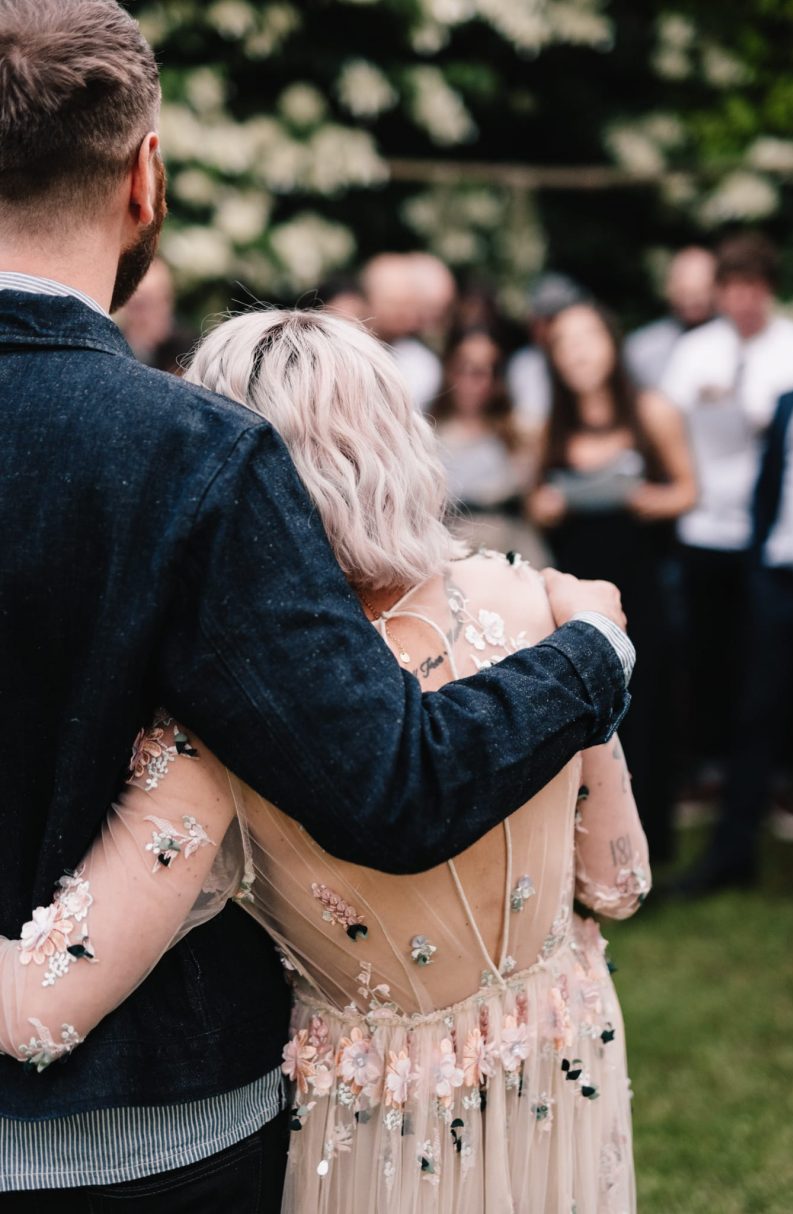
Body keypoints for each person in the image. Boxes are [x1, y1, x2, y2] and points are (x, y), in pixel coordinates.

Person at [0, 2, 633, 1206]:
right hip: (145, 1136)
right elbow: (388, 785)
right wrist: (592, 650)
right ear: (146, 178)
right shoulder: (198, 457)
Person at [528, 302, 697, 862]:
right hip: (575, 589)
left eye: (589, 336)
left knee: (644, 709)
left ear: (612, 343)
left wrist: (649, 499)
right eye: (564, 341)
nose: (577, 350)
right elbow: (533, 500)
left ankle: (650, 847)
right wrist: (546, 506)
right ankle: (588, 849)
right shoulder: (548, 425)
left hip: (639, 585)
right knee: (586, 709)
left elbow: (687, 491)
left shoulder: (652, 412)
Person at [660, 233, 793, 796]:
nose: (745, 300)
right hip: (705, 526)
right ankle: (711, 764)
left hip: (778, 536)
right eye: (734, 288)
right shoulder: (695, 351)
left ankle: (779, 774)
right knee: (708, 651)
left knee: (772, 660)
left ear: (769, 291)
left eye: (756, 287)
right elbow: (663, 421)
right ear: (720, 292)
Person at [675, 385, 793, 894]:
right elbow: (769, 487)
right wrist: (759, 568)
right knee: (754, 717)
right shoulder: (792, 401)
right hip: (781, 581)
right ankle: (732, 855)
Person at [429, 328, 549, 566]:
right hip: (451, 548)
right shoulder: (427, 431)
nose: (475, 382)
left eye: (488, 371)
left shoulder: (519, 429)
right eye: (466, 369)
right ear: (449, 370)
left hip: (511, 546)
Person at [625, 246, 717, 389]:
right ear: (669, 288)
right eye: (685, 291)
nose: (692, 300)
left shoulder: (738, 342)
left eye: (700, 291)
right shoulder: (641, 348)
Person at [362, 253, 443, 411]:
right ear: (367, 301)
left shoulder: (421, 365)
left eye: (408, 304)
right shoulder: (344, 349)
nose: (402, 313)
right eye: (393, 303)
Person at [506, 273, 586, 428]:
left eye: (552, 319)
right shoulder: (525, 365)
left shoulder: (589, 355)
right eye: (542, 319)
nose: (546, 328)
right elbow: (529, 423)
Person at [116, 256, 195, 373]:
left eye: (141, 305)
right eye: (131, 305)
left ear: (166, 302)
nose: (137, 317)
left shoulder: (189, 350)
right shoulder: (117, 344)